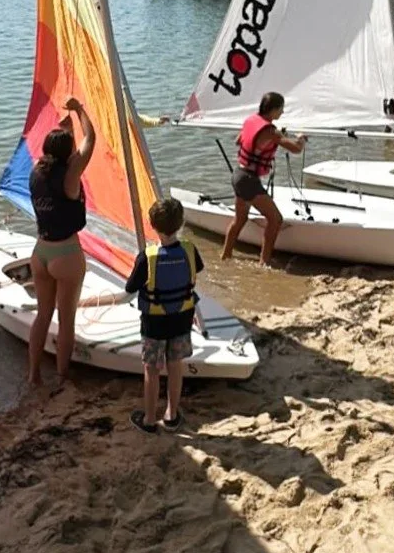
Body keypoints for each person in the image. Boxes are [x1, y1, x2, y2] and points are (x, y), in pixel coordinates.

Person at [26, 97, 95, 388]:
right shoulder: (71, 175)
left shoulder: (35, 172)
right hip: (66, 254)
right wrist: (79, 110)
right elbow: (91, 139)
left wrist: (64, 130)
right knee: (66, 321)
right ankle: (62, 376)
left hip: (40, 252)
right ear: (68, 154)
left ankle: (33, 375)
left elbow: (61, 151)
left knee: (43, 315)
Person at [126, 197, 204, 434]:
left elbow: (130, 289)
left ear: (152, 225)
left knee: (151, 369)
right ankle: (171, 415)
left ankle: (149, 419)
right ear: (180, 224)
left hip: (154, 324)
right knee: (175, 366)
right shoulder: (190, 250)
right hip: (181, 320)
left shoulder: (146, 257)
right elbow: (195, 270)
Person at [220, 91, 305, 266]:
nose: (282, 113)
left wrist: (270, 139)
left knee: (240, 219)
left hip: (238, 175)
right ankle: (264, 263)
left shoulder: (250, 120)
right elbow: (296, 149)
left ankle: (225, 256)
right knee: (275, 219)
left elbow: (239, 141)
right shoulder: (270, 130)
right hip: (249, 180)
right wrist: (301, 139)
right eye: (281, 109)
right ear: (273, 109)